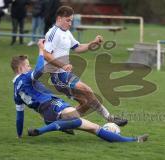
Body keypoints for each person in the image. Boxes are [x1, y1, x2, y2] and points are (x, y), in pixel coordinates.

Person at [10, 39, 148, 143]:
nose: (29, 68)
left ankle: (134, 140)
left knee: (93, 125)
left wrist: (18, 134)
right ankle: (40, 131)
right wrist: (41, 49)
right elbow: (40, 69)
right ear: (20, 68)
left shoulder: (16, 91)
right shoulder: (26, 77)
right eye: (27, 66)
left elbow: (19, 116)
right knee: (77, 121)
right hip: (53, 105)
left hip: (46, 115)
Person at [43, 6, 127, 126]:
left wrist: (93, 43)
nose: (70, 23)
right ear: (59, 18)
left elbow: (77, 48)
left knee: (86, 104)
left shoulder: (66, 32)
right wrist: (63, 65)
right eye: (68, 20)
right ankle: (110, 118)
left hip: (65, 74)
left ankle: (59, 122)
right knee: (87, 90)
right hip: (57, 76)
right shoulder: (52, 33)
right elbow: (46, 55)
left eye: (71, 20)